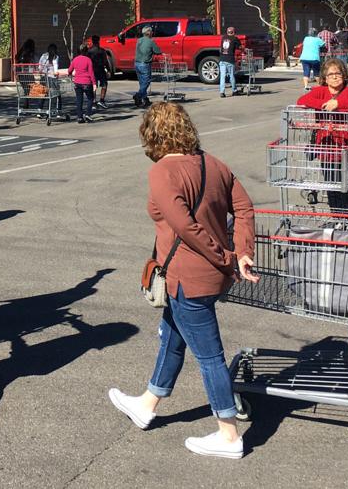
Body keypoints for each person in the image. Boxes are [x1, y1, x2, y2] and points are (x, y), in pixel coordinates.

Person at [108, 102, 258, 459]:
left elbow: (186, 228)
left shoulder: (162, 172)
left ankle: (228, 434)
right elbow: (245, 207)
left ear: (152, 135)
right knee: (172, 340)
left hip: (188, 278)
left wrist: (227, 258)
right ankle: (147, 403)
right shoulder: (213, 163)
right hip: (204, 278)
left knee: (209, 357)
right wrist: (242, 249)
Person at [297, 58, 348, 212]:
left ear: (344, 75)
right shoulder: (319, 91)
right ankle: (337, 216)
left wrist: (338, 104)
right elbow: (302, 100)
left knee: (347, 185)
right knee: (331, 183)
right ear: (325, 77)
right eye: (331, 74)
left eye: (338, 73)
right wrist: (325, 105)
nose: (335, 77)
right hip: (327, 146)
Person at [133, 26, 162, 108]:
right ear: (148, 32)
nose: (152, 33)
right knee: (146, 82)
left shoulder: (139, 40)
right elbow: (158, 51)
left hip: (137, 63)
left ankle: (145, 99)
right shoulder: (150, 41)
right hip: (145, 64)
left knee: (142, 83)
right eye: (151, 31)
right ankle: (138, 96)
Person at [68, 43, 97, 123]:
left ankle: (80, 117)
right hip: (87, 83)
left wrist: (70, 75)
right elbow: (91, 73)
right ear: (86, 51)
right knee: (91, 98)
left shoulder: (75, 59)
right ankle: (87, 114)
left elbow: (70, 70)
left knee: (79, 100)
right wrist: (94, 83)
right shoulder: (88, 60)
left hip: (77, 83)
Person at [87, 35, 110, 108]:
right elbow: (105, 61)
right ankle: (102, 100)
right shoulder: (102, 50)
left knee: (94, 86)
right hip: (100, 70)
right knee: (104, 85)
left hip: (92, 70)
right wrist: (108, 69)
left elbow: (87, 61)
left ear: (92, 41)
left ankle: (94, 102)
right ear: (98, 41)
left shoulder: (89, 51)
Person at [217, 26, 240, 98]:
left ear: (227, 32)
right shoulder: (235, 38)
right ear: (233, 32)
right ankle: (234, 90)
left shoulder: (223, 38)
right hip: (230, 60)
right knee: (231, 76)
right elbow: (238, 47)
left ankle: (222, 92)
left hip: (222, 59)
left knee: (222, 76)